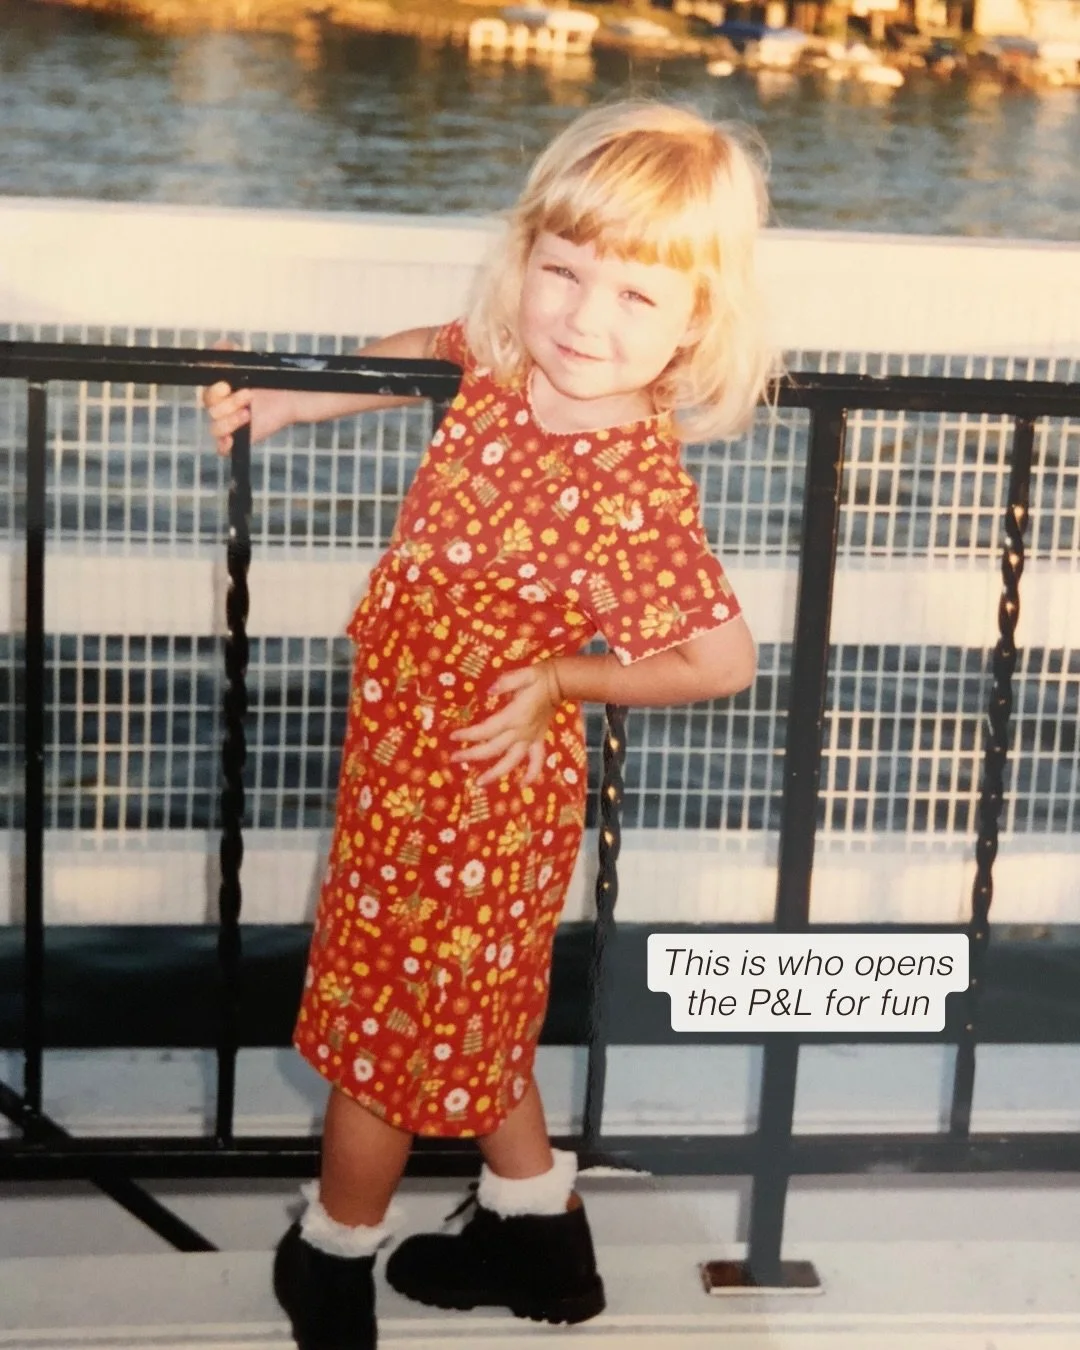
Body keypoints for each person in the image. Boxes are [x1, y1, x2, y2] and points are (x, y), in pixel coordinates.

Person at [203, 99, 774, 1350]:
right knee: (473, 1012)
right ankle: (543, 1241)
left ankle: (331, 1255)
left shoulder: (627, 489)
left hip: (478, 793)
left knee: (384, 1042)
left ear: (695, 325)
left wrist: (569, 680)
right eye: (562, 272)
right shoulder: (510, 363)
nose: (582, 317)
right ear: (525, 259)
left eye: (635, 296)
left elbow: (719, 661)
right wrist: (300, 400)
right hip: (406, 771)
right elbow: (433, 344)